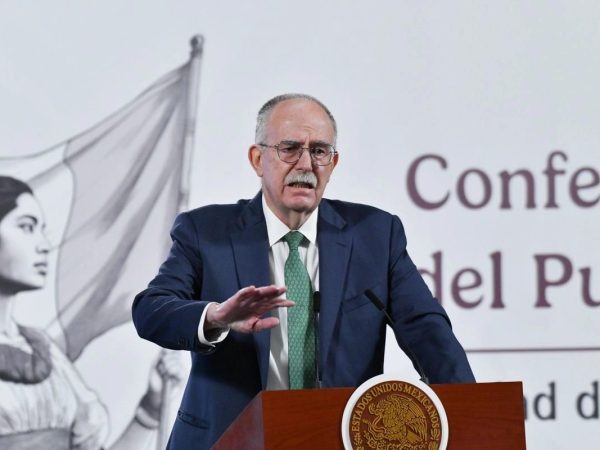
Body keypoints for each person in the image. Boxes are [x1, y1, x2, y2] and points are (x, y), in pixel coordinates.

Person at [132, 93, 475, 449]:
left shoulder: (376, 235)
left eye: (319, 151)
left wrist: (471, 415)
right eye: (290, 148)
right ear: (257, 159)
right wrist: (216, 317)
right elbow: (151, 310)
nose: (306, 164)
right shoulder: (206, 233)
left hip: (336, 439)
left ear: (333, 163)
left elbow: (427, 331)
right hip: (227, 439)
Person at [0, 175, 182, 450]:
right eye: (26, 227)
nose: (44, 245)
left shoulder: (44, 351)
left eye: (41, 230)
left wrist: (150, 410)